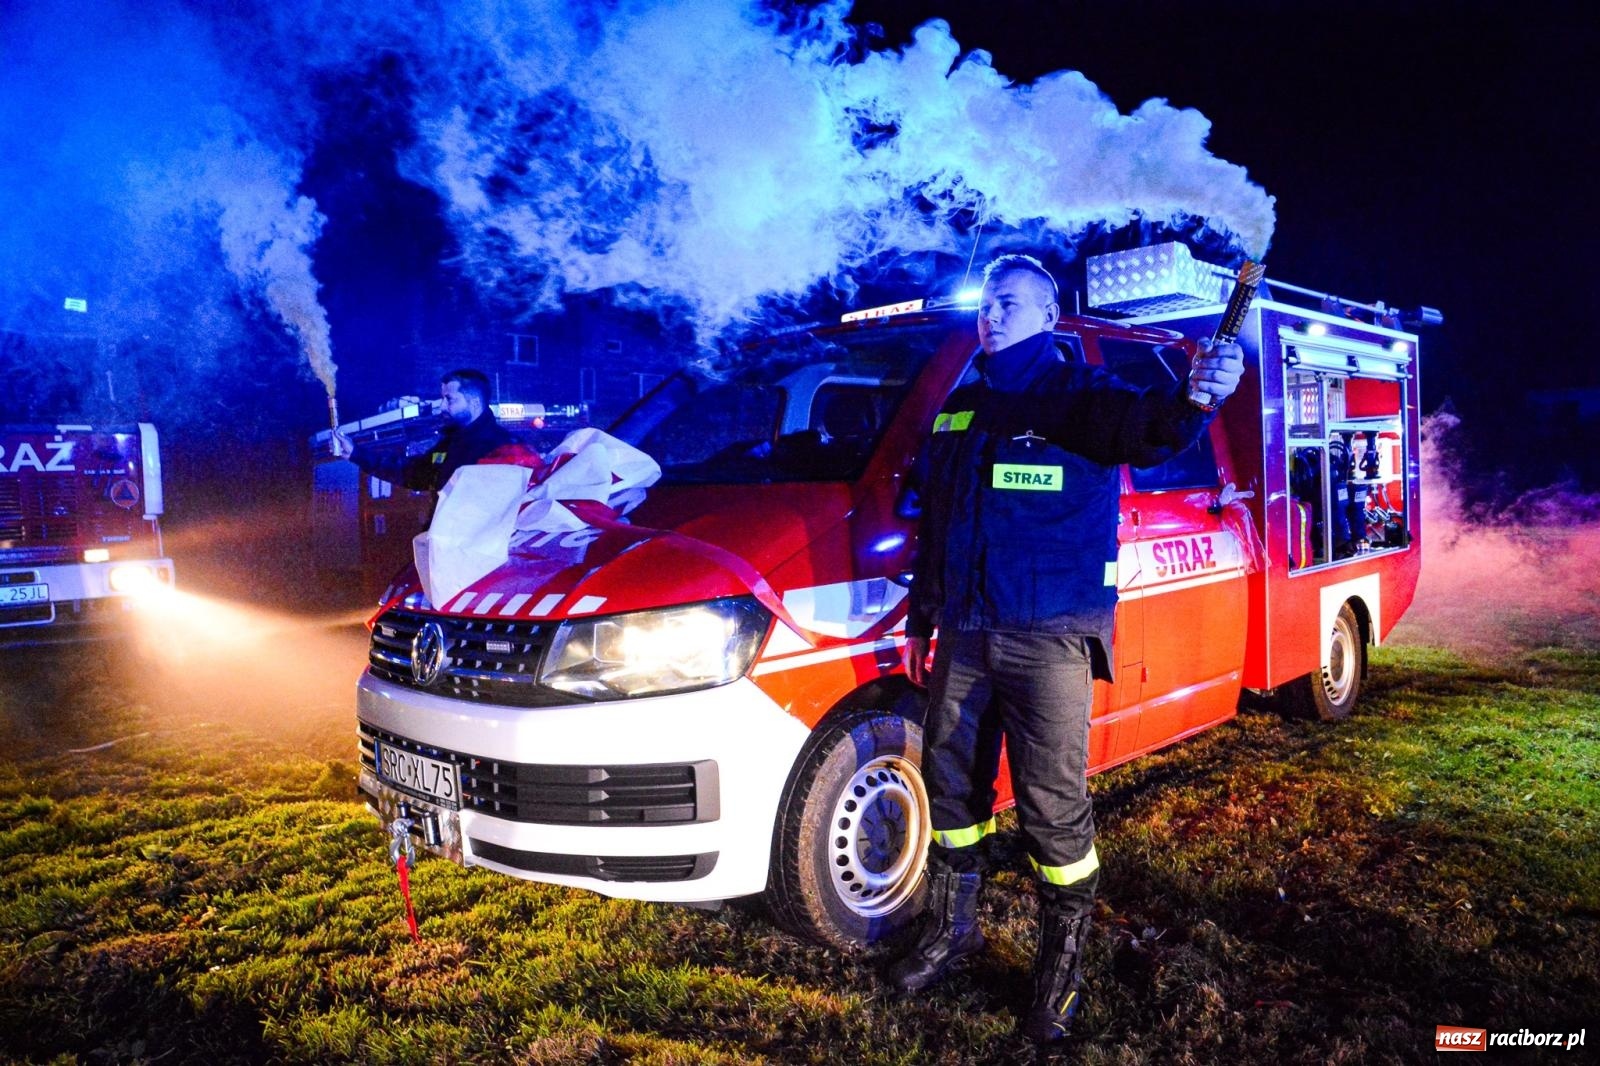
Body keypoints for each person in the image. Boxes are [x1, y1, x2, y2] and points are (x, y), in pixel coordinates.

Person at [885, 254, 1244, 1043]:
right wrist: (921, 621)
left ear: (1049, 316)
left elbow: (1154, 429)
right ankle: (951, 933)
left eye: (1010, 304)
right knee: (951, 791)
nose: (991, 317)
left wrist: (1199, 394)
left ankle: (1060, 974)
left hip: (1048, 636)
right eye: (987, 305)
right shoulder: (961, 407)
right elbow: (939, 523)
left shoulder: (1083, 396)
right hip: (966, 633)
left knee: (1052, 811)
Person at [331, 368, 514, 496]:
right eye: (442, 399)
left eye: (449, 399)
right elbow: (411, 471)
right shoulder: (450, 445)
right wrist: (356, 453)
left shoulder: (505, 450)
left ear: (474, 403)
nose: (442, 406)